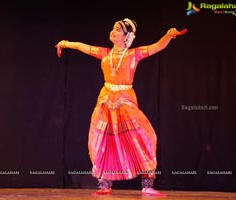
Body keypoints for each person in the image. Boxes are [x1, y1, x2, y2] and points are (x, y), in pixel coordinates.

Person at [55, 18, 187, 196]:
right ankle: (104, 185)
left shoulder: (134, 54)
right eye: (113, 29)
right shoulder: (105, 53)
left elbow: (158, 46)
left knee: (144, 136)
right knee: (101, 140)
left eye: (117, 30)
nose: (113, 31)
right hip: (106, 100)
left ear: (126, 36)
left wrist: (168, 35)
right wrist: (65, 43)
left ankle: (147, 184)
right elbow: (81, 46)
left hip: (126, 100)